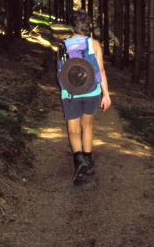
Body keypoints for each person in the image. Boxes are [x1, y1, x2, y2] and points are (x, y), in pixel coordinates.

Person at [58, 10, 111, 185]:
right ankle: (88, 161)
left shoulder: (63, 45)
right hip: (91, 91)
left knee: (73, 130)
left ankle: (79, 161)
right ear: (87, 26)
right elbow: (101, 71)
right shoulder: (94, 44)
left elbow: (61, 72)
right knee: (87, 125)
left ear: (72, 26)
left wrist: (66, 90)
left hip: (70, 93)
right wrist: (106, 94)